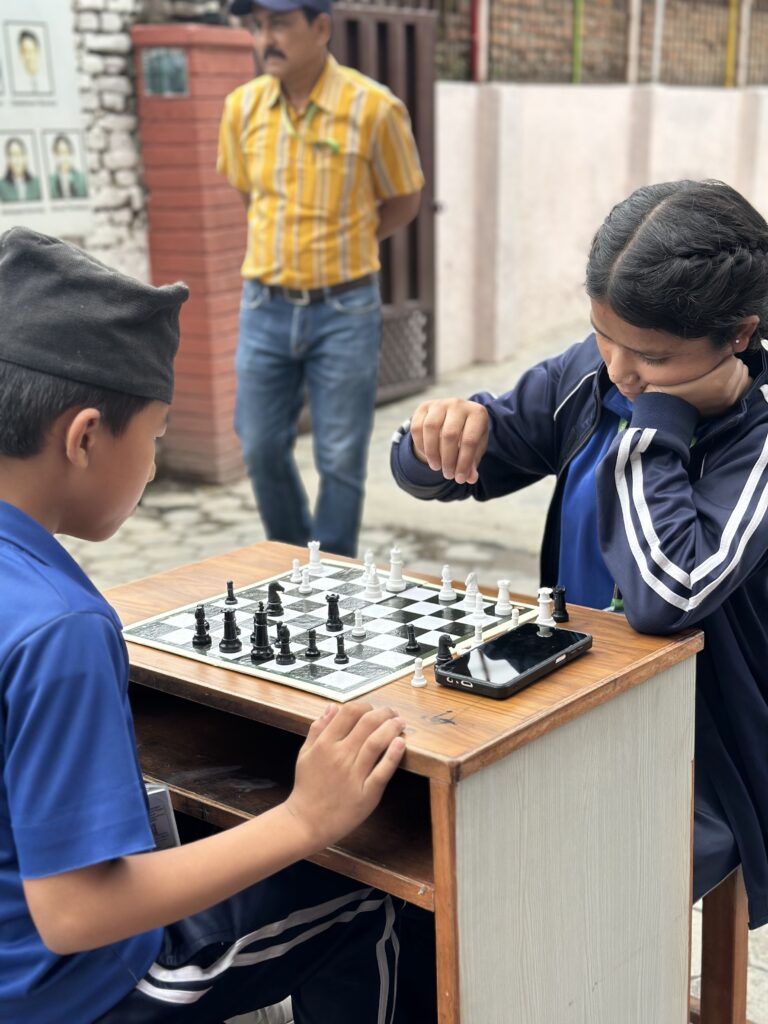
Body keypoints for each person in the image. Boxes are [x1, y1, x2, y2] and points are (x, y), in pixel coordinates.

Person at [0, 227, 407, 1023]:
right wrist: (304, 819)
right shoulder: (61, 628)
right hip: (70, 992)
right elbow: (76, 914)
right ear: (85, 437)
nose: (154, 466)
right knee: (372, 897)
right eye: (154, 438)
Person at [392, 179, 768, 931]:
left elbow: (667, 595)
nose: (620, 370)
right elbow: (439, 468)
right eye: (603, 334)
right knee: (428, 844)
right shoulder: (587, 376)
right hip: (566, 701)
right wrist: (437, 437)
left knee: (552, 902)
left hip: (704, 757)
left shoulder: (752, 436)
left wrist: (655, 420)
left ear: (737, 335)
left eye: (652, 356)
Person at [218, 0, 424, 558]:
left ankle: (331, 570)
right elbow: (247, 192)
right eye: (259, 26)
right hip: (264, 305)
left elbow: (404, 198)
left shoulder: (374, 108)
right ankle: (291, 560)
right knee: (259, 443)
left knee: (339, 456)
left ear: (321, 27)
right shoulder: (241, 108)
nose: (266, 38)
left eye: (280, 24)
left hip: (344, 308)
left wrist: (348, 240)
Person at [0, 136, 42, 203]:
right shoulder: (2, 186)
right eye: (13, 155)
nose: (17, 160)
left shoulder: (37, 184)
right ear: (8, 159)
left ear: (25, 157)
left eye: (20, 154)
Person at [48, 133, 88, 200]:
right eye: (61, 153)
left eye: (68, 153)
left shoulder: (82, 180)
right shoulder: (50, 182)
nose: (65, 158)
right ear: (55, 156)